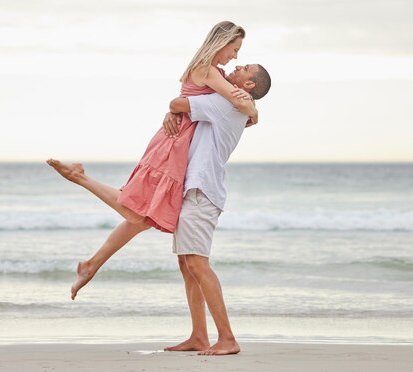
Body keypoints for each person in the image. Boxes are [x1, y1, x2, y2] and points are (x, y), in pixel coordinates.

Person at [47, 21, 257, 300]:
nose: (236, 57)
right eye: (235, 49)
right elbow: (239, 104)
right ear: (222, 42)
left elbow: (210, 106)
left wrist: (176, 108)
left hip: (180, 142)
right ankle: (79, 178)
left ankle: (91, 264)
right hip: (173, 143)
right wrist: (254, 109)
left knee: (142, 216)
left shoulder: (213, 71)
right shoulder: (207, 69)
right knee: (137, 210)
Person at [162, 63, 271, 356]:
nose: (236, 65)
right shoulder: (233, 103)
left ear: (248, 86)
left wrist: (172, 110)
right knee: (187, 265)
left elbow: (177, 103)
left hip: (202, 190)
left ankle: (227, 338)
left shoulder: (225, 102)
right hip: (197, 189)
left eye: (244, 68)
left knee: (197, 264)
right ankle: (199, 335)